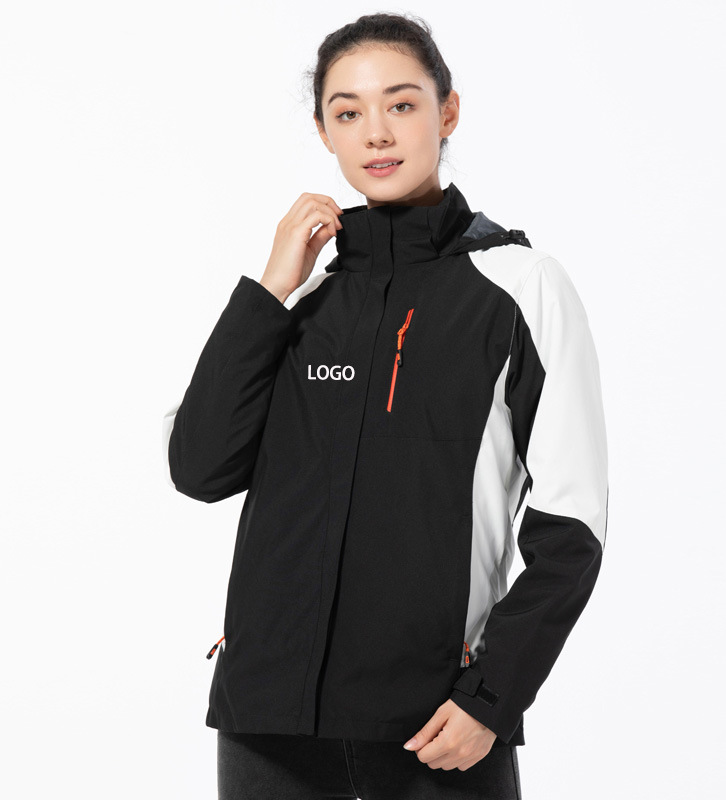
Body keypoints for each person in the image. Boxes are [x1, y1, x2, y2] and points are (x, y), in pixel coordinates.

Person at [162, 11, 608, 800]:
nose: (376, 132)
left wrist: (492, 699)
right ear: (324, 132)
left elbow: (572, 526)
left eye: (401, 103)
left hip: (437, 726)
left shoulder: (519, 288)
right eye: (348, 112)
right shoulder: (302, 300)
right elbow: (200, 468)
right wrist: (269, 289)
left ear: (447, 111)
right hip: (268, 724)